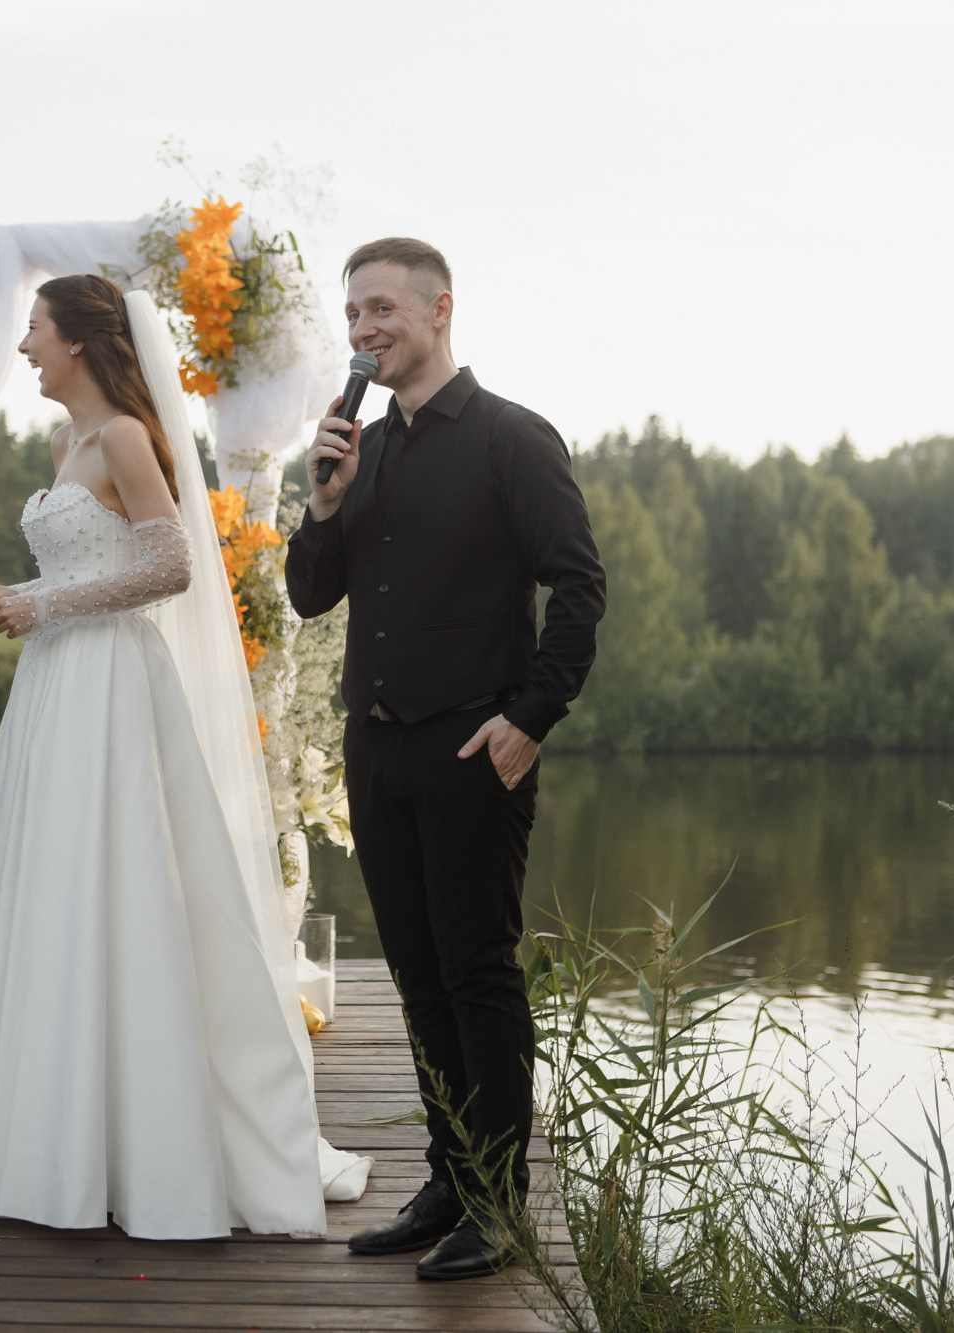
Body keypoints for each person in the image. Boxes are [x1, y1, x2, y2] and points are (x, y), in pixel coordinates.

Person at [0, 274, 371, 1239]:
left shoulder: (122, 435)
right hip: (54, 688)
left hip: (113, 682)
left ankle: (144, 1142)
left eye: (33, 330)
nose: (25, 347)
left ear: (77, 339)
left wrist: (50, 605)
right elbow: (85, 561)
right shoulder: (60, 442)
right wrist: (21, 596)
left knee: (123, 882)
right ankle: (50, 1136)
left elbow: (172, 565)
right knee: (49, 889)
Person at [284, 239, 604, 1279]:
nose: (363, 330)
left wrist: (528, 719)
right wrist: (323, 502)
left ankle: (498, 1204)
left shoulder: (514, 439)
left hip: (474, 748)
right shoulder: (359, 450)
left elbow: (578, 589)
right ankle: (448, 1182)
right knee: (418, 982)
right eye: (351, 315)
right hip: (374, 753)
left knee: (476, 976)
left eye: (381, 309)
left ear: (437, 310)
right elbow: (306, 594)